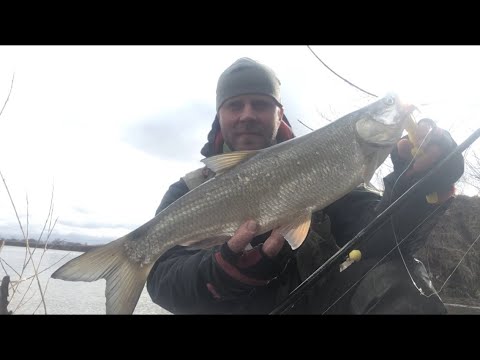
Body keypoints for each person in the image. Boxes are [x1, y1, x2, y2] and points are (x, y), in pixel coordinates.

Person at [146, 57, 465, 314]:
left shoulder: (325, 169)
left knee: (394, 277)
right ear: (219, 115)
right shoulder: (185, 192)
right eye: (235, 105)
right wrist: (221, 272)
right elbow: (162, 281)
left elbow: (383, 241)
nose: (247, 115)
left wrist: (413, 185)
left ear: (279, 113)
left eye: (260, 104)